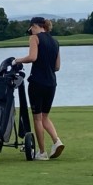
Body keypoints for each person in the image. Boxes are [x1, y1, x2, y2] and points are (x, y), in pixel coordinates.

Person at [12, 16, 63, 160]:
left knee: (37, 118)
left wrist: (17, 60)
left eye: (31, 28)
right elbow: (57, 67)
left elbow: (32, 57)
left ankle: (42, 152)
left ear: (35, 26)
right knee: (45, 116)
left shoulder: (35, 38)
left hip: (37, 82)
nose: (31, 31)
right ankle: (57, 141)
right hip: (51, 83)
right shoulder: (55, 42)